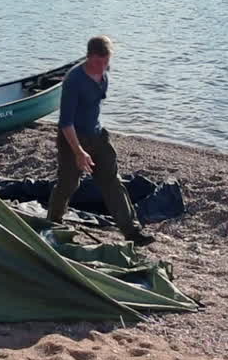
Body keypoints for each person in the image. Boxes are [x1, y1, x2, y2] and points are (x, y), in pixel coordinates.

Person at [48, 36, 155, 247]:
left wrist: (95, 140)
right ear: (89, 57)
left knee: (112, 183)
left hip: (97, 136)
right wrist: (79, 152)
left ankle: (132, 232)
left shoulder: (104, 72)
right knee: (68, 184)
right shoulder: (74, 80)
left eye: (106, 62)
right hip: (72, 139)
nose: (102, 67)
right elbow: (65, 123)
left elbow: (94, 106)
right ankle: (52, 223)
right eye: (98, 63)